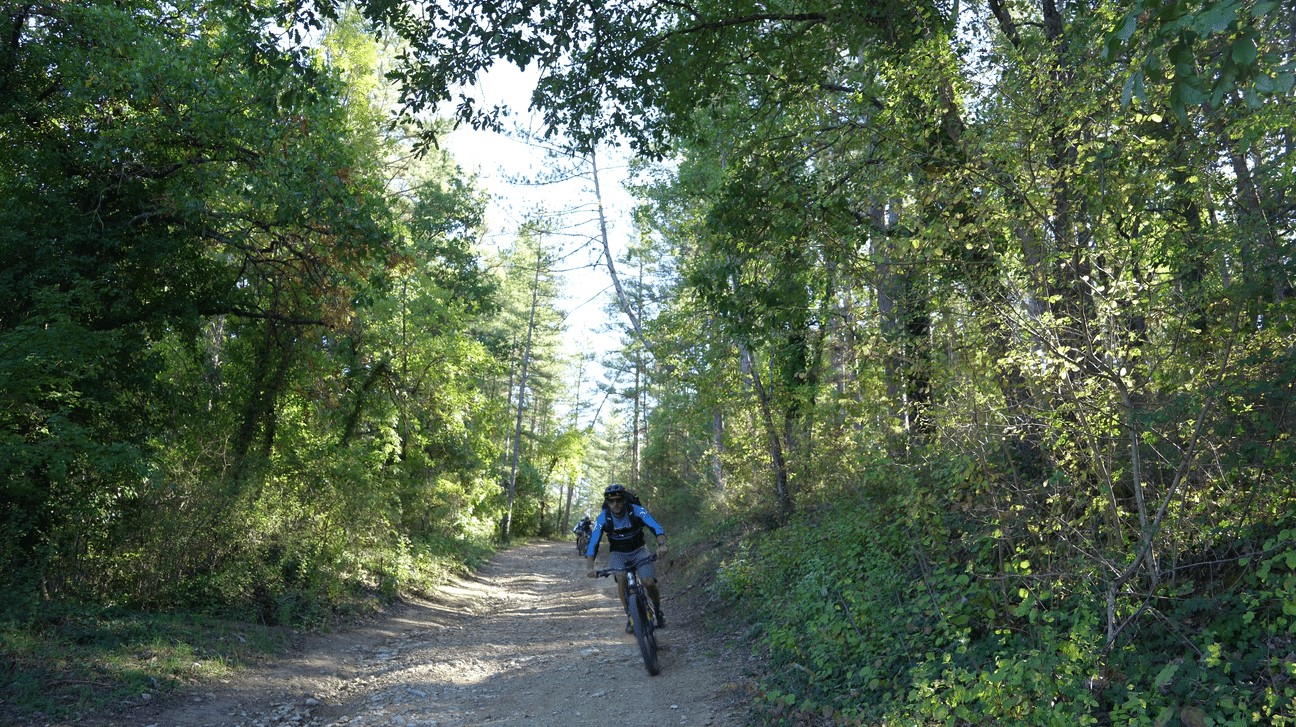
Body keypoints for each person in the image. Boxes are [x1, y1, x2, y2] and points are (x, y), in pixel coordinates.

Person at [585, 483, 668, 632]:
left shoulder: (637, 511)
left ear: (624, 500)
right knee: (621, 578)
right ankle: (631, 616)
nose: (615, 504)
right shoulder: (603, 518)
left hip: (639, 550)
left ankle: (657, 610)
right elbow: (593, 541)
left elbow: (655, 526)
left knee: (648, 582)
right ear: (607, 503)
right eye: (611, 501)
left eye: (618, 500)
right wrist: (590, 566)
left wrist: (661, 544)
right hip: (618, 554)